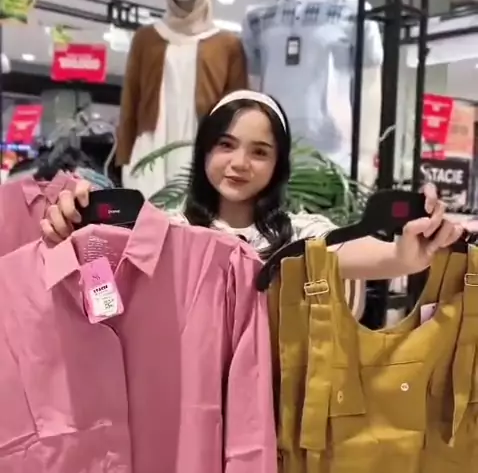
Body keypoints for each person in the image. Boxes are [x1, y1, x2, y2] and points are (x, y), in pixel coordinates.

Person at [41, 89, 467, 315]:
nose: (240, 163)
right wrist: (74, 237)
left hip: (272, 420)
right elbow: (102, 299)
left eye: (259, 152)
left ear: (278, 164)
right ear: (205, 151)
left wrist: (405, 254)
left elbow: (356, 254)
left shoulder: (299, 236)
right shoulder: (164, 229)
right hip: (179, 410)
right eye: (226, 145)